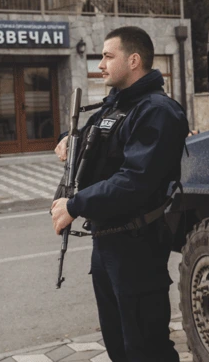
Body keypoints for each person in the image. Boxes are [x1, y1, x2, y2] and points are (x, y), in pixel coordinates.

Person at [51, 26, 189, 362]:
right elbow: (97, 147)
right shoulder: (114, 107)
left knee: (146, 348)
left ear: (134, 60)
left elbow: (134, 180)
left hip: (138, 244)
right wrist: (71, 141)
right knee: (118, 345)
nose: (100, 64)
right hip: (108, 242)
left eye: (108, 56)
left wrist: (75, 205)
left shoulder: (156, 110)